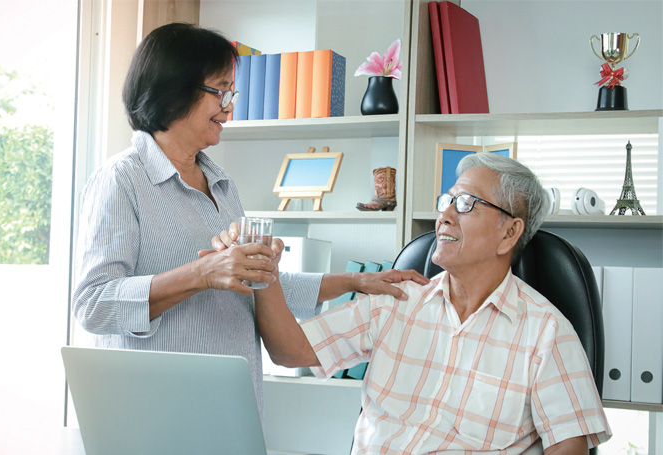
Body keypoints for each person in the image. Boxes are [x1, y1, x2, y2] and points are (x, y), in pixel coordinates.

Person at [71, 22, 427, 416]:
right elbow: (93, 304)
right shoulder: (121, 180)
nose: (229, 105)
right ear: (173, 90)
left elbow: (258, 286)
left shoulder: (222, 185)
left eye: (232, 92)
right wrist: (201, 273)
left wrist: (356, 281)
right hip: (157, 413)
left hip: (230, 408)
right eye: (220, 91)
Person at [242, 153, 611, 454]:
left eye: (466, 204)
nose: (445, 215)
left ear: (509, 233)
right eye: (447, 200)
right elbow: (290, 352)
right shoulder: (397, 300)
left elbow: (569, 446)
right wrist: (263, 271)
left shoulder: (547, 332)